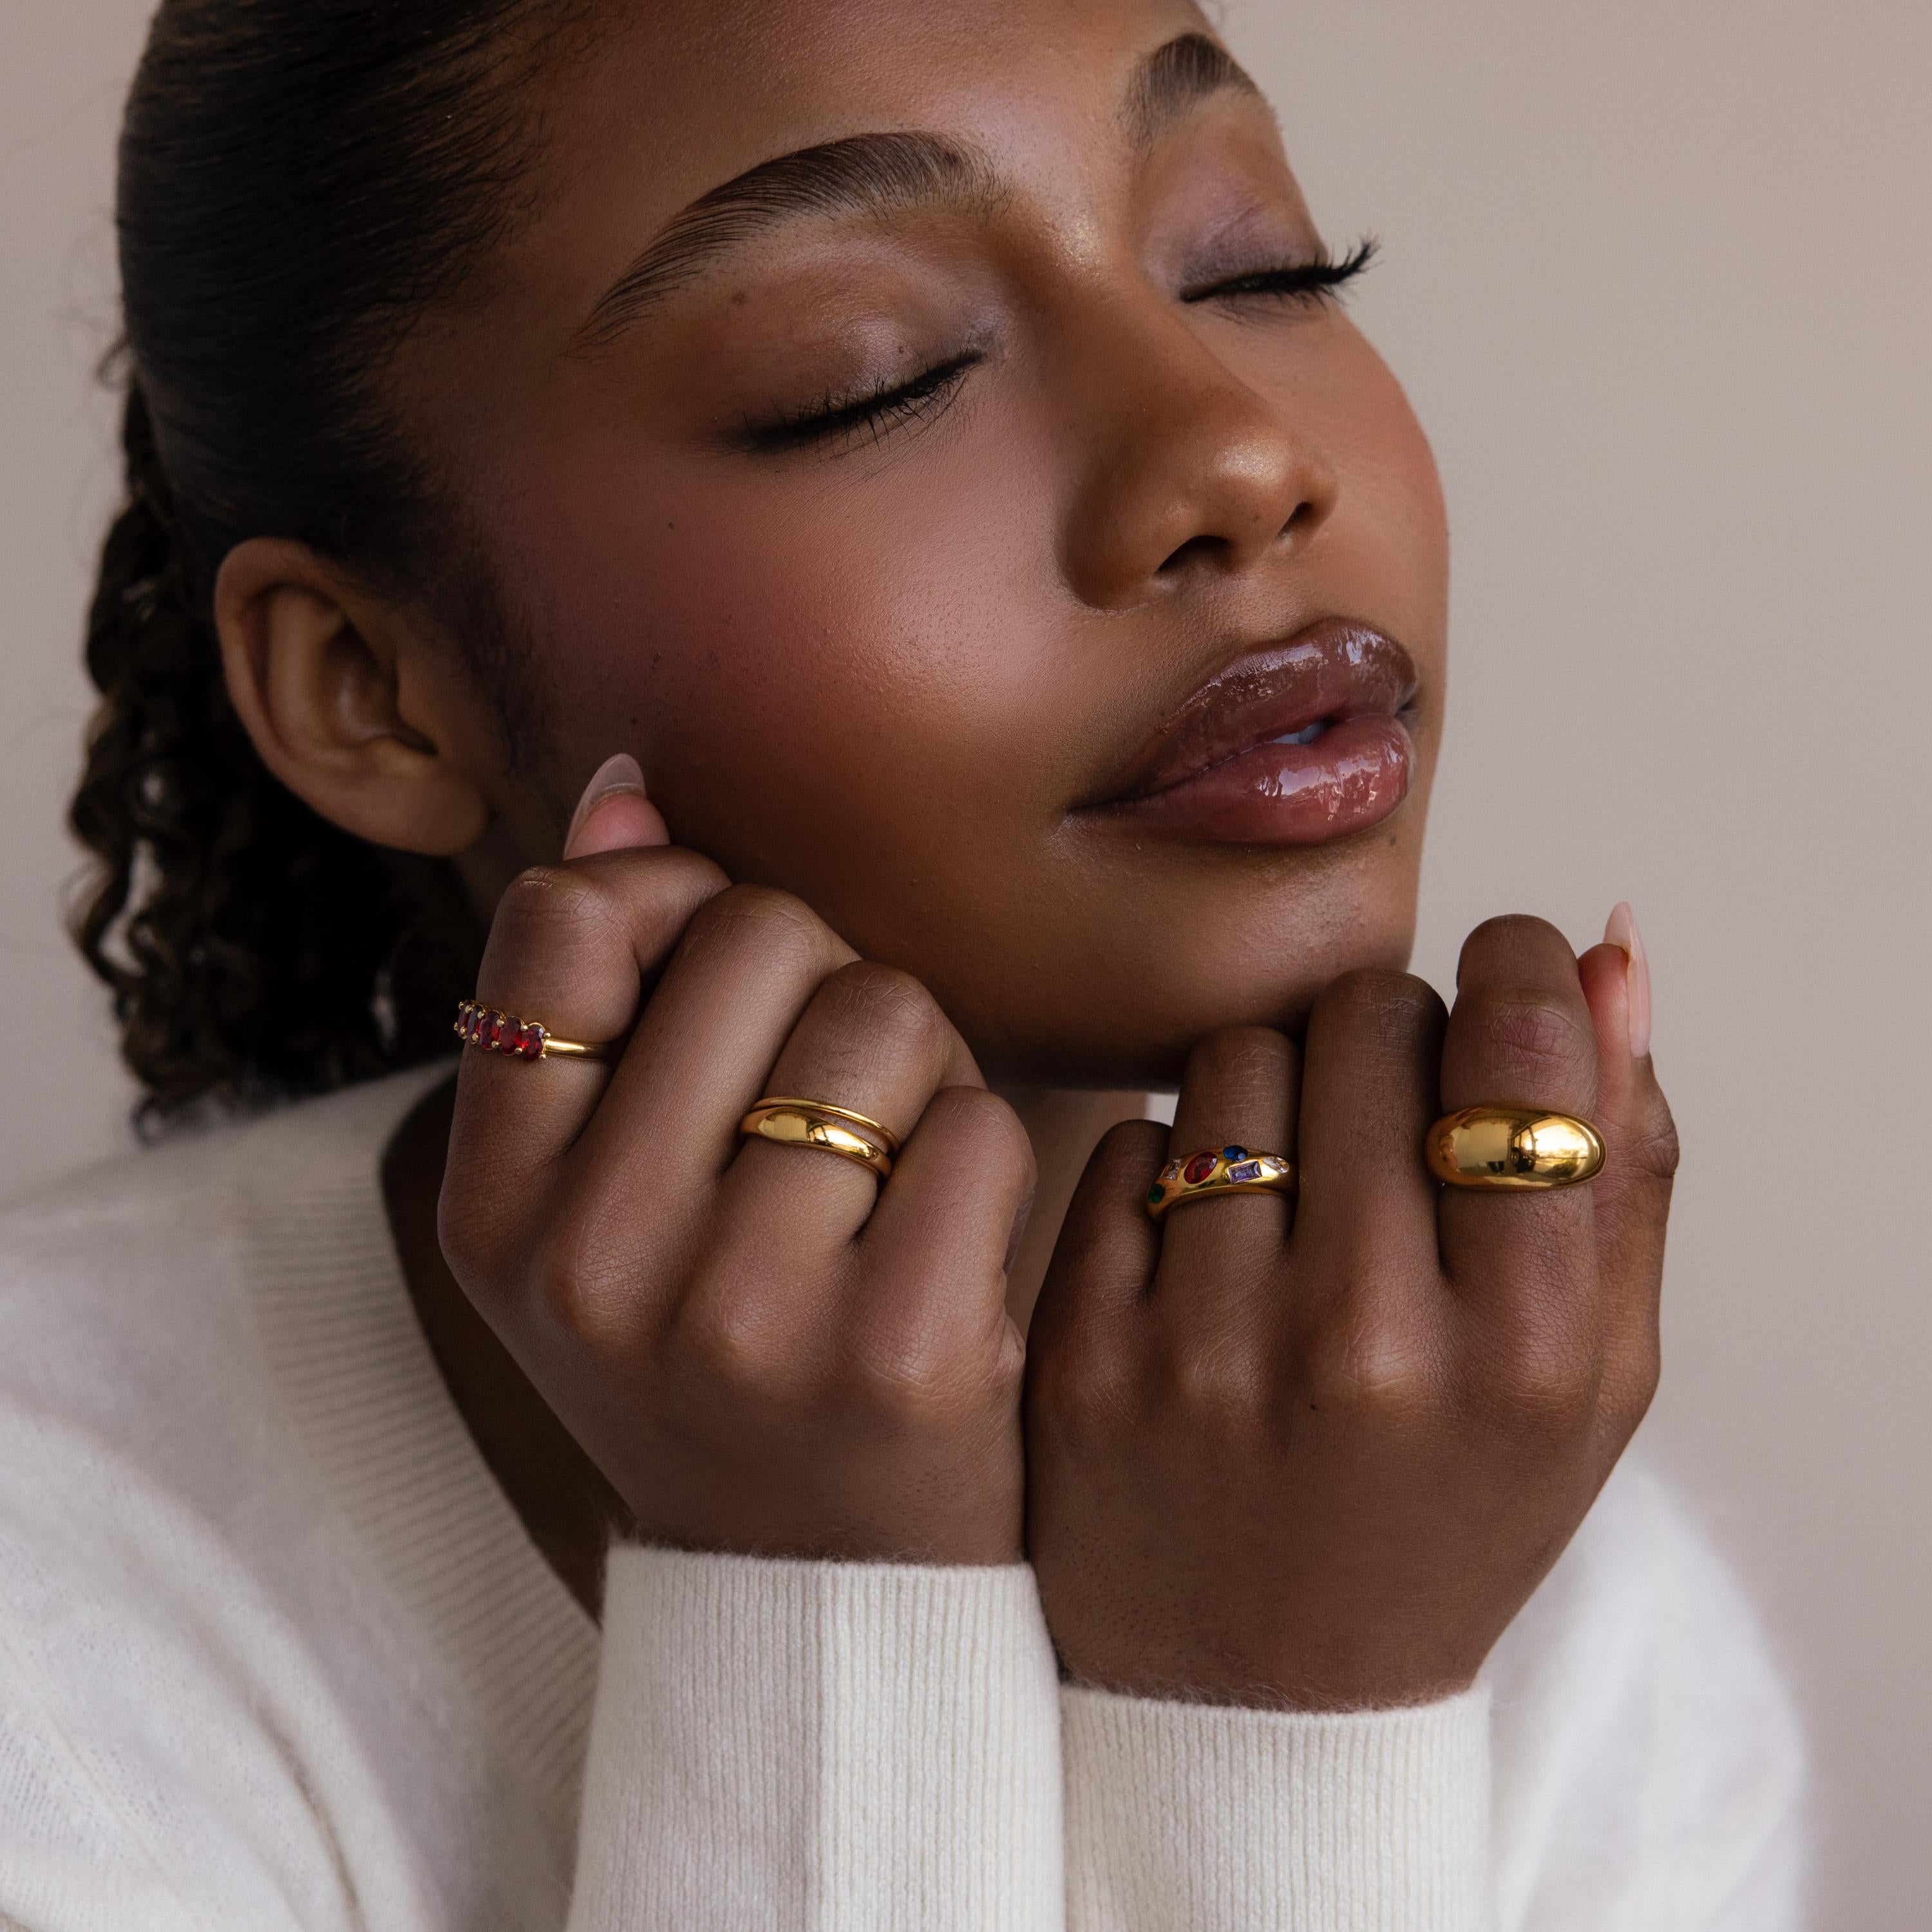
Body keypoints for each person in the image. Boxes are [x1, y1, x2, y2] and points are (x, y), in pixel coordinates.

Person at [0, 0, 1804, 1925]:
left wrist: (1322, 1688)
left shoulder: (1571, 1631)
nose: (1235, 455)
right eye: (869, 378)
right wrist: (831, 1619)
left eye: (1258, 263)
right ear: (373, 689)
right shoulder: (63, 1626)